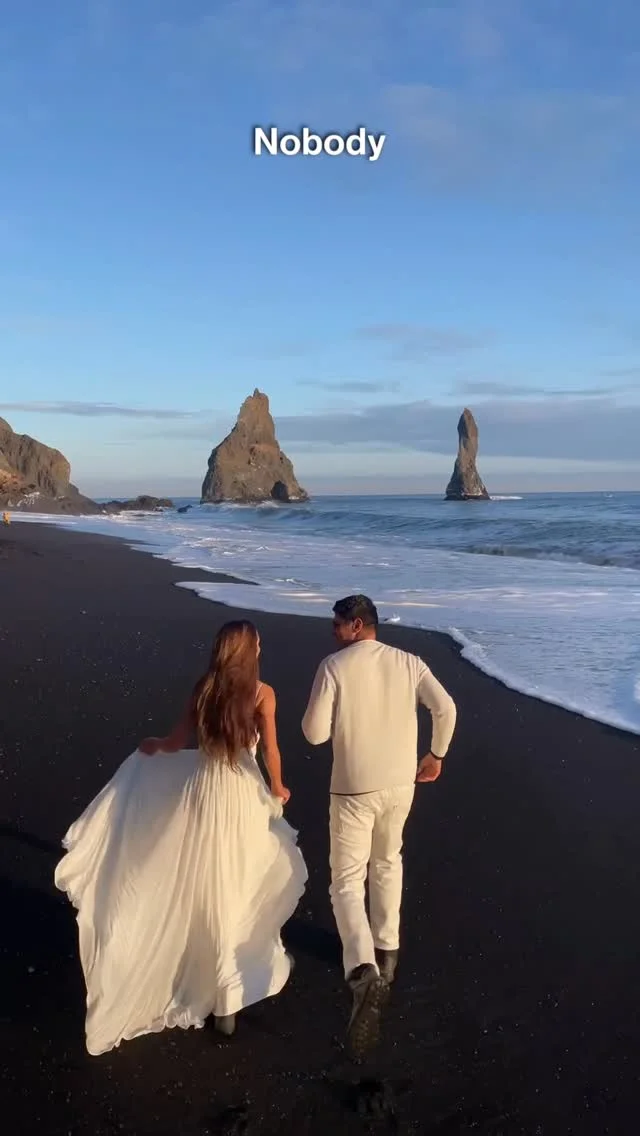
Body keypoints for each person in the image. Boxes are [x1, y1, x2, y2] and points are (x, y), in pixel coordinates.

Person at [55, 620, 307, 1056]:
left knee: (199, 883)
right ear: (249, 652)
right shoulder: (263, 694)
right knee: (239, 885)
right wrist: (278, 787)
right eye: (258, 642)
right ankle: (228, 998)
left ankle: (199, 972)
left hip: (203, 793)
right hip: (241, 796)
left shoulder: (204, 689)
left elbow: (174, 743)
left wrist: (150, 745)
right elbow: (270, 753)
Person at [301, 595, 457, 1057]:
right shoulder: (409, 662)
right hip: (400, 783)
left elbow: (314, 734)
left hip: (352, 787)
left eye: (337, 623)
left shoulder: (334, 667)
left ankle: (362, 968)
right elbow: (445, 709)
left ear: (357, 625)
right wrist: (436, 755)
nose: (332, 630)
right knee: (388, 861)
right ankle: (387, 949)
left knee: (346, 882)